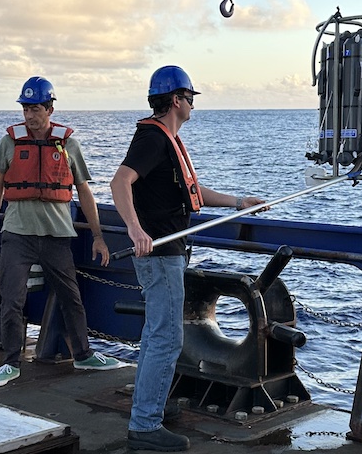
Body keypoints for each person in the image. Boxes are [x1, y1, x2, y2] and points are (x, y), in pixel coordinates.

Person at [111, 65, 266, 452]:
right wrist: (135, 229)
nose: (193, 105)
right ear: (176, 100)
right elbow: (120, 182)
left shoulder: (167, 140)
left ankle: (153, 403)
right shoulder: (153, 139)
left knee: (156, 334)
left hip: (166, 252)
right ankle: (145, 426)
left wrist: (237, 202)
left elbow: (192, 191)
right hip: (160, 253)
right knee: (166, 337)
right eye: (191, 98)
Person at [0, 76, 121, 387]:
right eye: (26, 108)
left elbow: (84, 192)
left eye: (36, 108)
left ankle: (83, 355)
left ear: (50, 108)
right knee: (11, 297)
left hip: (57, 235)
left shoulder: (69, 145)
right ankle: (10, 361)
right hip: (17, 233)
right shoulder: (9, 143)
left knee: (71, 297)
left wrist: (98, 236)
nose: (30, 115)